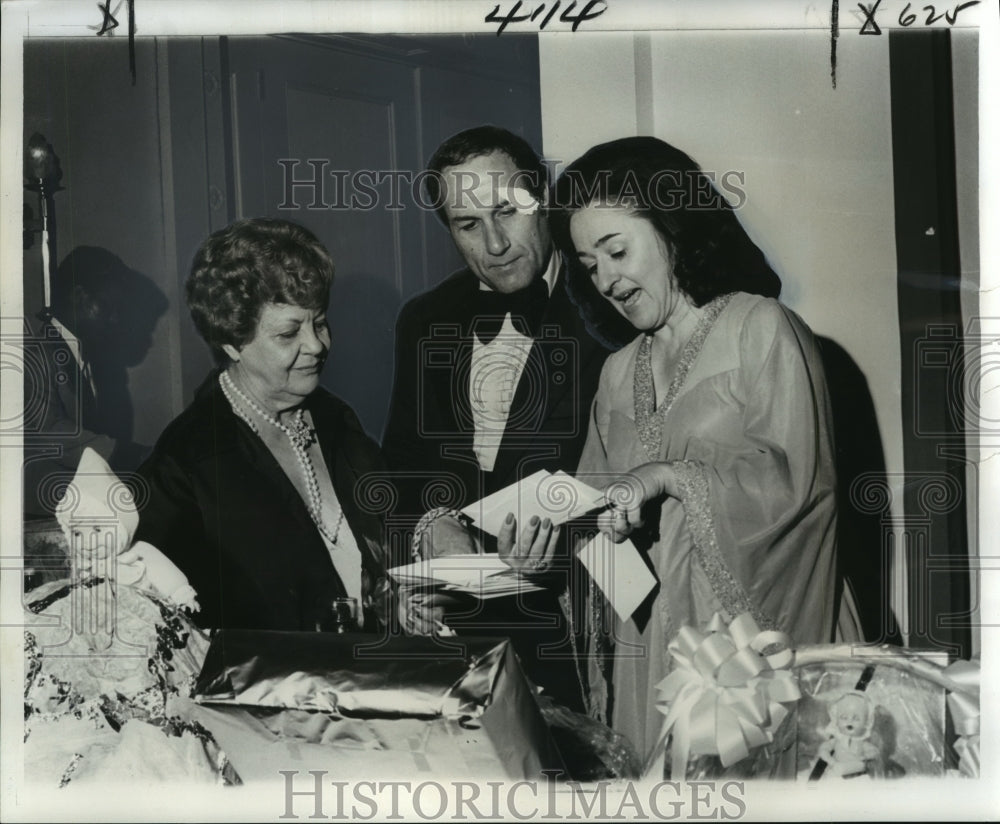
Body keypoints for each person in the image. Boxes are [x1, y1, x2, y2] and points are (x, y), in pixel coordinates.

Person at [550, 136, 860, 759]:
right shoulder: (614, 373)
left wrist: (671, 474)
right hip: (648, 654)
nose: (607, 279)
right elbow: (594, 520)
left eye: (617, 250)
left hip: (751, 654)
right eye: (589, 265)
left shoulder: (762, 328)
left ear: (673, 228)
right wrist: (556, 539)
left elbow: (801, 490)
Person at [382, 126, 629, 710]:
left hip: (588, 637)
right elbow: (403, 465)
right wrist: (429, 524)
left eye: (508, 211)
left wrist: (562, 542)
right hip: (468, 643)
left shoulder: (612, 304)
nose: (494, 244)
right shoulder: (423, 319)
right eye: (469, 225)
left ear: (541, 197)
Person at [134, 218, 391, 632]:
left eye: (320, 322)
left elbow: (386, 542)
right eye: (289, 334)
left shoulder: (335, 418)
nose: (317, 345)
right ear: (232, 341)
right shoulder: (188, 460)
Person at [23, 246, 160, 518]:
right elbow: (51, 431)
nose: (115, 319)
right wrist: (131, 455)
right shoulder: (36, 356)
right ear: (79, 297)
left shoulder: (89, 359)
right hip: (40, 516)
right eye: (110, 308)